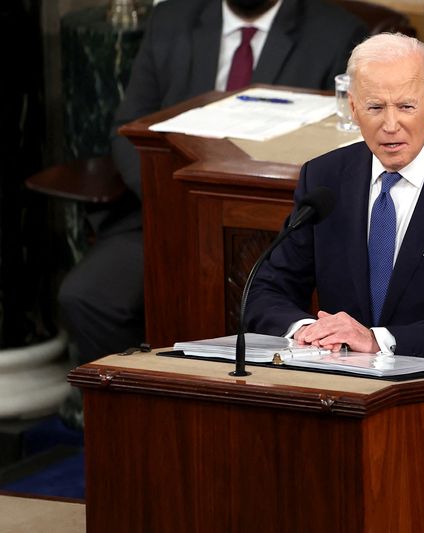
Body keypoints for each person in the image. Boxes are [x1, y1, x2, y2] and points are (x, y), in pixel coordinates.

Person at [57, 0, 368, 369]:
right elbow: (128, 131)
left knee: (241, 307)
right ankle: (142, 409)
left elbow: (344, 153)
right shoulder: (172, 18)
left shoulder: (336, 33)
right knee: (87, 296)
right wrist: (168, 199)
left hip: (274, 224)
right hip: (166, 211)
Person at [244, 33, 424, 362]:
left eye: (406, 106)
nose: (391, 124)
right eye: (375, 107)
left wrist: (378, 340)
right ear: (353, 107)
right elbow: (266, 289)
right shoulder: (324, 178)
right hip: (337, 382)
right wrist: (308, 331)